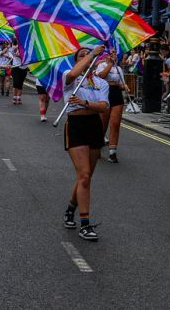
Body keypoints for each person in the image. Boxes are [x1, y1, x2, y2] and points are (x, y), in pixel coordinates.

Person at [62, 45, 109, 242]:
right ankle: (85, 224)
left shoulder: (100, 82)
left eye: (88, 55)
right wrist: (91, 53)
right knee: (84, 174)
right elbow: (73, 73)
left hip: (94, 126)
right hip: (76, 125)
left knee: (86, 177)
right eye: (81, 55)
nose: (86, 57)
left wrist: (85, 103)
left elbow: (103, 107)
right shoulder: (69, 76)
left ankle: (70, 209)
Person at [96, 49, 128, 163]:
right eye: (111, 53)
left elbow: (122, 84)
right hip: (105, 94)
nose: (113, 55)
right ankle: (97, 147)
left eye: (115, 53)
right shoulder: (102, 65)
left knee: (115, 124)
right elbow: (102, 76)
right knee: (102, 124)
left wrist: (124, 86)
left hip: (116, 95)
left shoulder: (118, 69)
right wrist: (109, 64)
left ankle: (112, 152)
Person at [9, 39, 27, 104]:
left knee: (20, 83)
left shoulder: (26, 47)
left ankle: (19, 97)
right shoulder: (13, 47)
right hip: (16, 67)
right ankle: (14, 96)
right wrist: (19, 45)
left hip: (24, 67)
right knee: (16, 82)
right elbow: (13, 52)